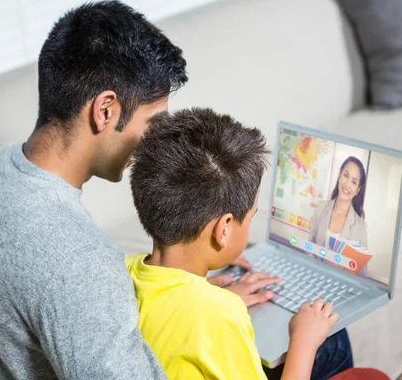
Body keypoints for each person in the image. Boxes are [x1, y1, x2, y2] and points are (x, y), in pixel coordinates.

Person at [0, 1, 273, 379]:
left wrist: (193, 305)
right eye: (153, 121)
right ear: (105, 110)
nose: (157, 140)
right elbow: (75, 289)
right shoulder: (79, 262)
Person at [126, 108, 352, 380]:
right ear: (223, 230)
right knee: (334, 341)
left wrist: (208, 294)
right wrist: (303, 342)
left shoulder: (125, 272)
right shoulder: (220, 315)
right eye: (251, 217)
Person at [309, 156, 368, 251]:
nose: (347, 185)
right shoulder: (321, 208)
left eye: (353, 182)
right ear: (339, 175)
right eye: (346, 175)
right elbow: (309, 246)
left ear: (358, 190)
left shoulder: (360, 227)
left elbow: (361, 266)